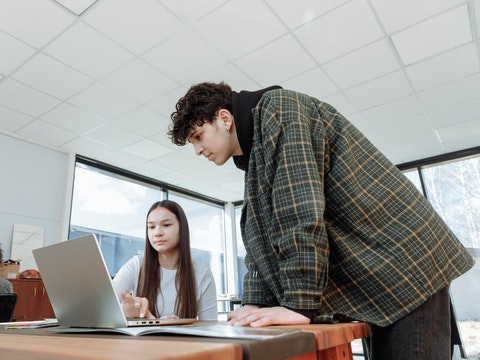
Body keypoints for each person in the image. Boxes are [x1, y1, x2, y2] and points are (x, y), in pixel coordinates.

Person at [168, 82, 475, 359]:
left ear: (224, 118)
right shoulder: (256, 157)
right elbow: (261, 236)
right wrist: (255, 303)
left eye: (198, 136)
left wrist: (298, 304)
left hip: (404, 262)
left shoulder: (278, 109)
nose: (197, 150)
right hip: (381, 272)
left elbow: (299, 211)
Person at [113, 200, 218, 320]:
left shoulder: (202, 273)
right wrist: (127, 311)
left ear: (181, 228)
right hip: (143, 339)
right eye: (151, 227)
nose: (157, 233)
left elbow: (209, 326)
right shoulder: (137, 265)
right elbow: (105, 305)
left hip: (184, 339)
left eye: (166, 225)